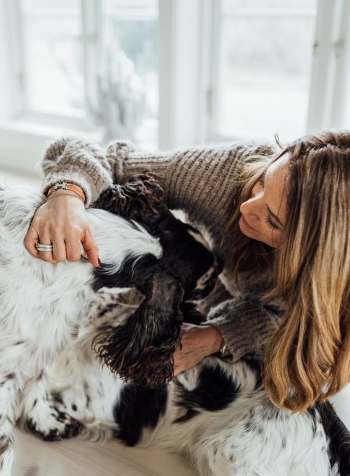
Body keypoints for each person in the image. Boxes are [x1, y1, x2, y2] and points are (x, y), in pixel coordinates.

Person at [24, 131, 350, 413]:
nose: (247, 207)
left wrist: (220, 334)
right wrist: (68, 192)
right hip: (210, 281)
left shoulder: (332, 290)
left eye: (273, 220)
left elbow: (289, 322)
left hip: (268, 310)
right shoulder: (226, 173)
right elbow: (106, 158)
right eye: (262, 183)